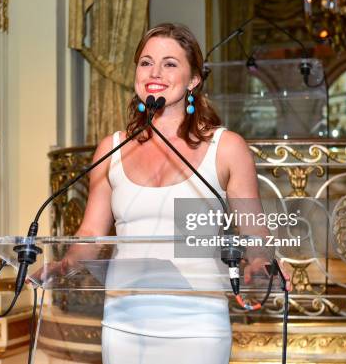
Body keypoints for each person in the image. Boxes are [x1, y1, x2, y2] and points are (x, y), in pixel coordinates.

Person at [36, 23, 289, 363]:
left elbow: (253, 229)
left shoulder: (226, 148)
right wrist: (64, 264)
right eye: (146, 62)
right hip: (124, 317)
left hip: (197, 320)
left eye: (170, 63)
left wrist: (261, 261)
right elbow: (92, 234)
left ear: (194, 80)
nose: (155, 72)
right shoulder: (111, 149)